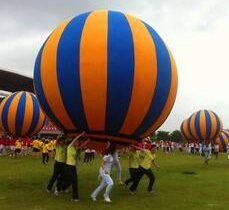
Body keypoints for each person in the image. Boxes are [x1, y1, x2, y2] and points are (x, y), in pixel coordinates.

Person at [60, 132, 85, 202]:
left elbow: (81, 147)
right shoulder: (69, 147)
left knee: (71, 181)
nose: (77, 143)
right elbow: (74, 140)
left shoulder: (74, 148)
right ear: (73, 142)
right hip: (69, 166)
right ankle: (75, 197)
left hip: (72, 167)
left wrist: (87, 141)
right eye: (76, 142)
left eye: (77, 142)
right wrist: (80, 135)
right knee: (74, 181)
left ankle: (62, 187)